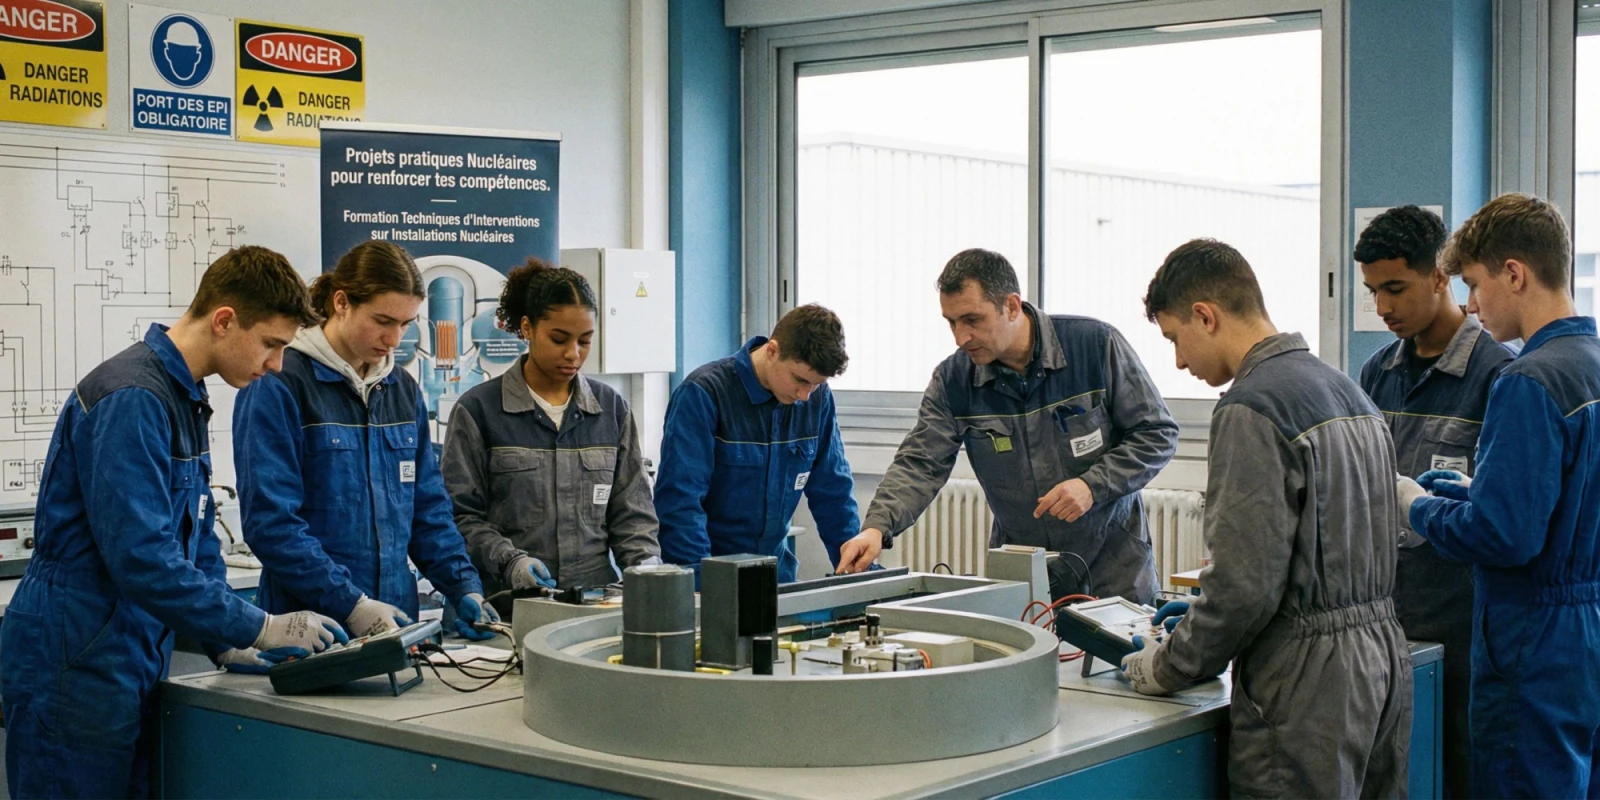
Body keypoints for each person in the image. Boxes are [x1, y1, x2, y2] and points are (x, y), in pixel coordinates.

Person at [0, 246, 348, 798]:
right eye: (271, 344)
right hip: (76, 655)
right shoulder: (132, 397)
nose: (277, 365)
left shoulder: (182, 394)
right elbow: (143, 558)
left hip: (125, 648)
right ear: (224, 320)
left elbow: (197, 537)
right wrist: (259, 625)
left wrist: (224, 640)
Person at [1122, 238, 1411, 797]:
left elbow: (1243, 587)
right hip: (1381, 663)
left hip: (1305, 687)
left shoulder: (1252, 406)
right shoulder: (1349, 392)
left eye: (1175, 338)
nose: (1178, 361)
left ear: (1205, 316)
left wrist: (1168, 666)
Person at [1398, 193, 1600, 798]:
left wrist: (1414, 506)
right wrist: (1480, 491)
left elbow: (1505, 538)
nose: (1469, 304)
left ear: (1514, 274)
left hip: (1533, 639)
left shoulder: (1526, 380)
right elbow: (1570, 500)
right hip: (1588, 631)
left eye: (1474, 284)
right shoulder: (1590, 365)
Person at [837, 249, 1178, 604]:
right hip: (1021, 570)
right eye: (951, 322)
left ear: (1012, 306)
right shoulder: (954, 381)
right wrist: (876, 527)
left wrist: (1092, 485)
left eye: (972, 319)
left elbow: (1157, 434)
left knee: (1117, 643)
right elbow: (920, 463)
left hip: (1114, 566)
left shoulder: (1094, 347)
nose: (961, 337)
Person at [234, 241, 496, 641]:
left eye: (406, 324)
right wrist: (351, 605)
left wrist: (463, 586)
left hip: (396, 623)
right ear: (341, 302)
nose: (394, 338)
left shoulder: (402, 389)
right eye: (383, 321)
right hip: (312, 630)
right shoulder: (280, 383)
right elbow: (271, 524)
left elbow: (428, 509)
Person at [1355, 204, 1513, 798]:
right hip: (1384, 617)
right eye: (1373, 292)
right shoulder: (1376, 374)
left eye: (1395, 288)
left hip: (1463, 624)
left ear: (1440, 276)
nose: (1382, 307)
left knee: (1458, 773)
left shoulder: (1499, 376)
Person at [442, 258, 659, 614]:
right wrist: (509, 560)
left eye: (585, 341)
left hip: (595, 606)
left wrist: (647, 567)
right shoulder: (478, 411)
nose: (573, 354)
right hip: (509, 607)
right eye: (559, 339)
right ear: (527, 328)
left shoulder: (611, 409)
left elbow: (632, 512)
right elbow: (458, 516)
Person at [655, 304, 857, 583]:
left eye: (816, 384)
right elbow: (681, 503)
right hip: (711, 575)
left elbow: (833, 490)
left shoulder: (817, 398)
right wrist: (702, 586)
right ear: (772, 351)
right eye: (799, 380)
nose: (805, 395)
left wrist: (856, 569)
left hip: (776, 578)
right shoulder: (703, 394)